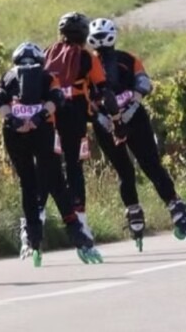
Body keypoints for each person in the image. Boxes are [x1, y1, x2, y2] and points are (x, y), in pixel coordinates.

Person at [85, 18, 186, 249]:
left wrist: (103, 119)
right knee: (152, 164)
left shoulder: (87, 65)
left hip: (105, 124)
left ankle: (134, 215)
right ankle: (177, 209)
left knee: (125, 171)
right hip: (134, 118)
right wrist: (131, 108)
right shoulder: (128, 58)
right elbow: (144, 84)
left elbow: (86, 99)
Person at [0, 42, 103, 267]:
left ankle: (33, 235)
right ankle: (76, 233)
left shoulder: (6, 76)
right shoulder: (47, 76)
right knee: (56, 182)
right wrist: (38, 117)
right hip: (43, 130)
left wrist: (14, 120)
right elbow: (56, 99)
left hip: (14, 132)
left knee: (27, 182)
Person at [42, 12, 120, 241]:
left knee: (48, 166)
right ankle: (81, 222)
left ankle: (38, 217)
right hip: (75, 113)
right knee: (74, 167)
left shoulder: (47, 52)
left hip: (50, 115)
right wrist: (116, 120)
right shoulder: (87, 57)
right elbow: (103, 89)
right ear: (84, 35)